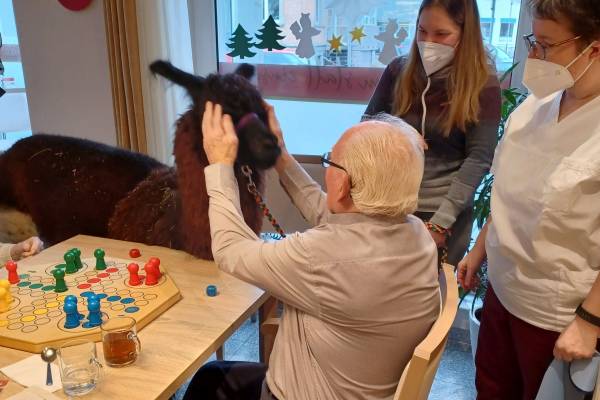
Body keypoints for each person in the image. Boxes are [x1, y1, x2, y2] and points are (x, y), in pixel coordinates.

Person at [182, 102, 440, 400]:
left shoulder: (323, 258)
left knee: (207, 383)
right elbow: (327, 211)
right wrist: (280, 155)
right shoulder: (416, 233)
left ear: (343, 184)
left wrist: (219, 164)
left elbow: (230, 250)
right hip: (355, 386)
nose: (327, 168)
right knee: (213, 375)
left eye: (330, 161)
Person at [457, 0, 600, 398]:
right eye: (532, 42)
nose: (535, 57)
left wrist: (589, 321)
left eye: (547, 46)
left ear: (595, 48)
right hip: (503, 292)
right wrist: (481, 249)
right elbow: (509, 190)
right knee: (491, 388)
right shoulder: (534, 106)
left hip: (557, 315)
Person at [365, 0, 501, 266]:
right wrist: (399, 130)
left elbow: (478, 159)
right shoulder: (398, 70)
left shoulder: (483, 84)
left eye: (441, 34)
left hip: (443, 212)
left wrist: (440, 224)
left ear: (465, 34)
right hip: (390, 205)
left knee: (432, 300)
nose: (428, 41)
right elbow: (367, 126)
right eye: (422, 31)